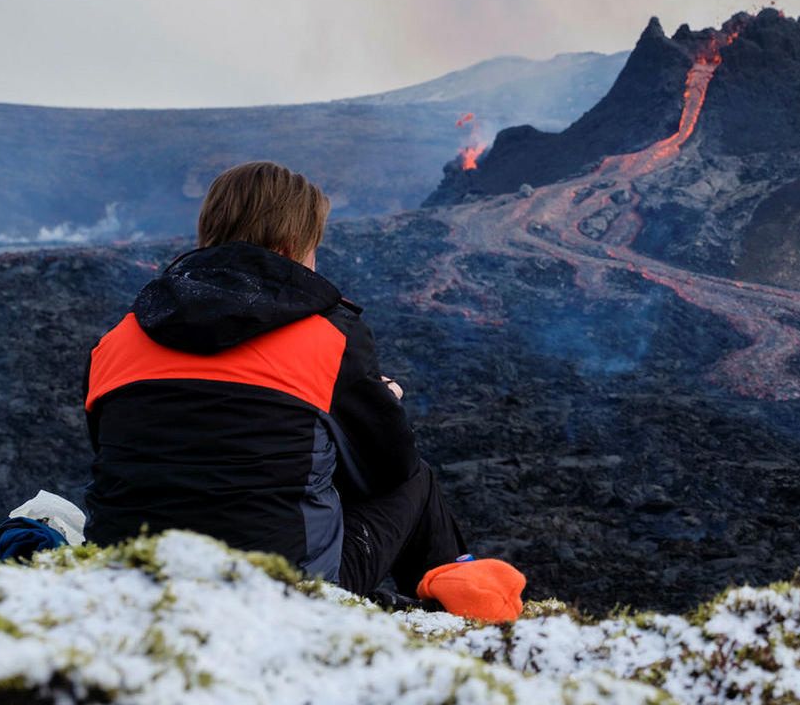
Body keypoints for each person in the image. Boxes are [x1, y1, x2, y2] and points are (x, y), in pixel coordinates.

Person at [83, 161, 521, 620]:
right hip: (283, 589)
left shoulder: (119, 339)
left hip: (129, 571)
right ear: (291, 247)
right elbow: (389, 468)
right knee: (414, 480)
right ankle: (470, 610)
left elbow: (116, 451)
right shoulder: (328, 339)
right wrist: (381, 407)